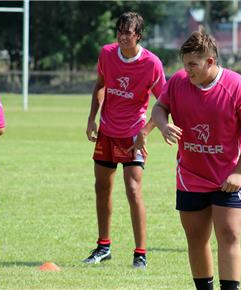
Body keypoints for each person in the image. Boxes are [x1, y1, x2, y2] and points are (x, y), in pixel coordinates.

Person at [152, 26, 241, 290]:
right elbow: (159, 107)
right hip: (191, 176)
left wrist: (240, 170)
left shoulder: (237, 86)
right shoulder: (179, 82)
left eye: (193, 64)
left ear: (210, 62)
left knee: (229, 234)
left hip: (229, 176)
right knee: (196, 238)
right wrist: (163, 125)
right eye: (185, 64)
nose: (187, 70)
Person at [83, 11, 166, 268]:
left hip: (132, 135)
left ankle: (140, 253)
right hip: (107, 132)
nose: (121, 37)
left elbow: (165, 102)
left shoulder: (152, 63)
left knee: (133, 190)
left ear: (138, 35)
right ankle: (103, 247)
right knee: (102, 188)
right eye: (119, 31)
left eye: (127, 33)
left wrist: (146, 131)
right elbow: (100, 84)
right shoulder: (107, 54)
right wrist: (91, 118)